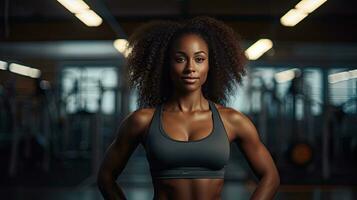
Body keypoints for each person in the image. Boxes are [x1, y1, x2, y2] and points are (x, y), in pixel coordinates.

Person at [97, 16, 280, 200]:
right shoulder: (142, 120)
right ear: (166, 64)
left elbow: (270, 176)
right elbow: (106, 177)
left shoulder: (232, 121)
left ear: (210, 64)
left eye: (199, 59)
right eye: (180, 59)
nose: (190, 68)